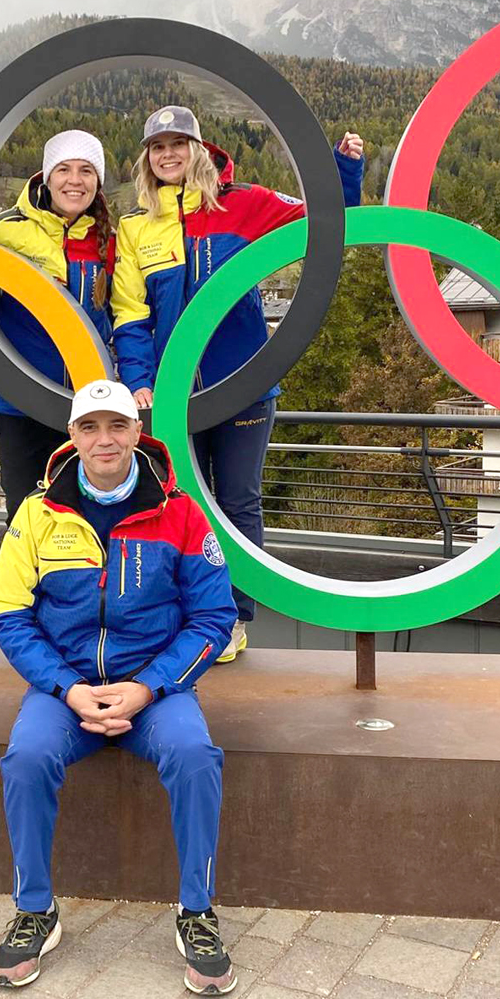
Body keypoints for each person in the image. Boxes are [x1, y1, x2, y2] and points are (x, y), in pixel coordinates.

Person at [0, 378, 239, 995]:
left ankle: (197, 912)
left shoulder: (182, 513)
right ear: (72, 436)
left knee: (195, 755)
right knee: (26, 758)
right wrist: (68, 688)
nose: (105, 439)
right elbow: (8, 613)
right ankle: (35, 910)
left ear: (137, 433)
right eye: (90, 426)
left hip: (155, 692)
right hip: (64, 691)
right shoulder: (37, 514)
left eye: (118, 425)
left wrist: (147, 688)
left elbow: (213, 618)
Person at [112, 106, 364, 660]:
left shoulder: (243, 203)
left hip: (242, 382)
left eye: (178, 143)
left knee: (238, 502)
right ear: (147, 159)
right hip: (174, 396)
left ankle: (231, 620)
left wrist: (343, 169)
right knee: (179, 506)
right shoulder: (134, 226)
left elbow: (327, 220)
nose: (169, 154)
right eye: (158, 147)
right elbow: (129, 314)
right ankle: (188, 617)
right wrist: (138, 380)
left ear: (199, 149)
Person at [0, 130, 117, 522]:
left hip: (89, 403)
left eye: (86, 170)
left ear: (98, 181)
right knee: (25, 516)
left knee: (87, 517)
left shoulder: (110, 240)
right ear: (46, 176)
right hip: (20, 402)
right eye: (64, 169)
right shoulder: (1, 231)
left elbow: (123, 316)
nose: (75, 180)